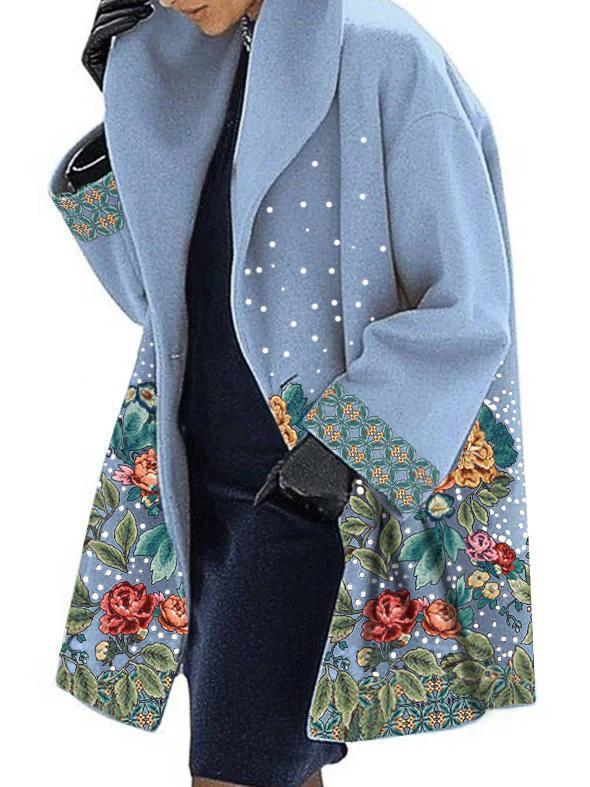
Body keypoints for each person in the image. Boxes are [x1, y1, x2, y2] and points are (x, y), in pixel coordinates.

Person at [51, 2, 535, 786]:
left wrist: (333, 461)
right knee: (269, 765)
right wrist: (123, 124)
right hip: (195, 487)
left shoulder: (386, 57)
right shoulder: (193, 63)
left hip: (311, 497)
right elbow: (154, 301)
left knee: (234, 765)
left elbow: (469, 308)